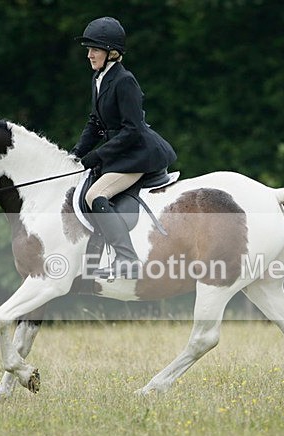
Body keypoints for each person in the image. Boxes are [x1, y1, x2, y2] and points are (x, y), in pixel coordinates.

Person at [71, 16, 177, 279]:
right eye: (89, 49)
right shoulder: (99, 78)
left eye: (95, 49)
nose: (89, 55)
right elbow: (95, 123)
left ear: (112, 52)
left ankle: (127, 259)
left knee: (94, 195)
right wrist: (75, 154)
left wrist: (98, 155)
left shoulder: (124, 80)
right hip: (122, 153)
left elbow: (132, 130)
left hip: (137, 154)